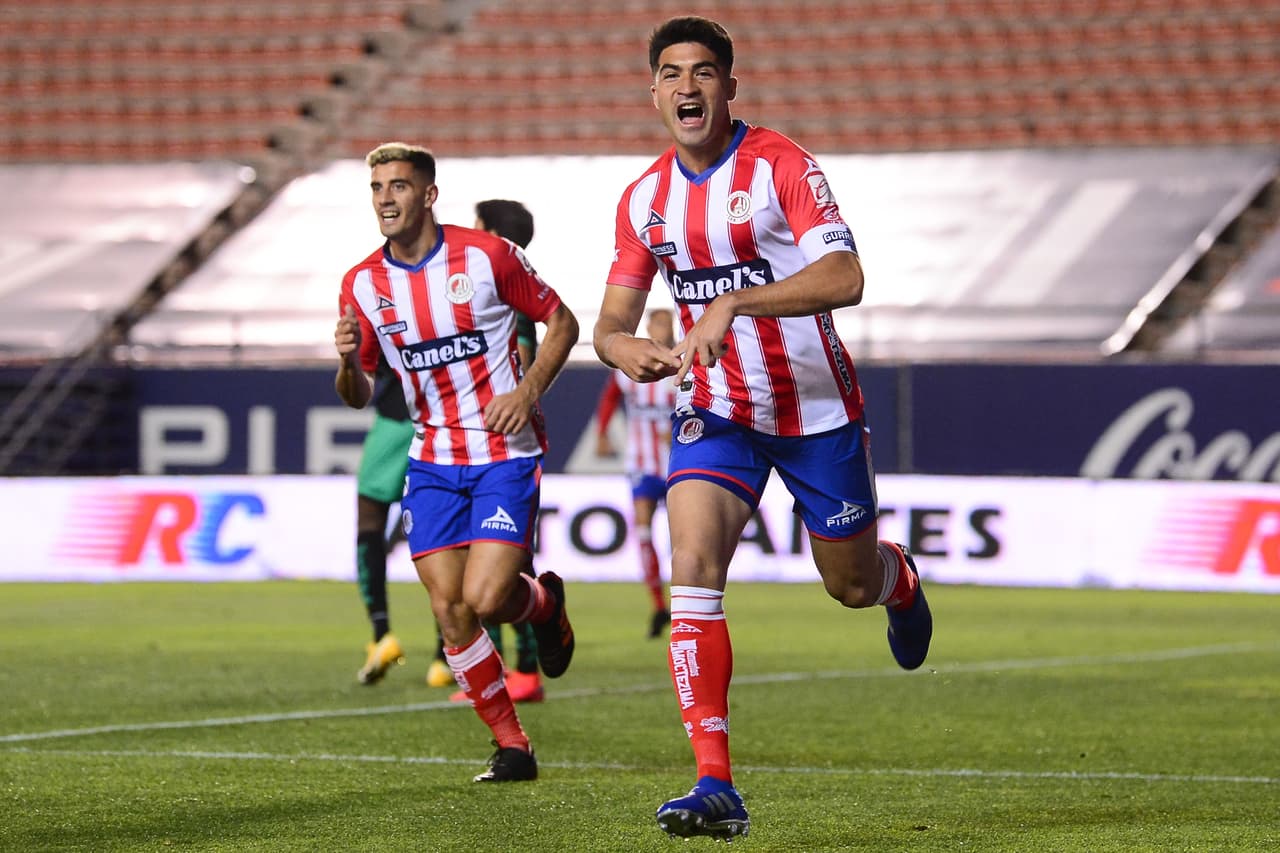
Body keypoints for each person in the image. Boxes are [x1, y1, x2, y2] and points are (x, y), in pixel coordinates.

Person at [592, 17, 933, 840]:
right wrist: (626, 347)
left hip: (817, 413)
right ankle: (715, 781)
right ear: (654, 92)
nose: (687, 88)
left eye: (704, 72)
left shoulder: (781, 165)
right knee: (694, 570)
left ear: (729, 87)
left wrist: (735, 299)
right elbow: (609, 322)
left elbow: (846, 275)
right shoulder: (644, 201)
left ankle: (899, 580)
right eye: (672, 74)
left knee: (847, 584)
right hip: (714, 409)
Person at [335, 142, 579, 783]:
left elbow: (562, 322)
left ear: (429, 195)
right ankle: (512, 746)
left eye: (400, 186)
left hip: (503, 453)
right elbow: (359, 394)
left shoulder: (487, 256)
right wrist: (343, 361)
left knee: (489, 596)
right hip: (431, 460)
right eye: (378, 187)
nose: (387, 198)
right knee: (450, 610)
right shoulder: (363, 284)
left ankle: (544, 607)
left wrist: (527, 394)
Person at [594, 307, 677, 639]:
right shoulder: (629, 370)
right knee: (643, 534)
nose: (664, 330)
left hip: (677, 464)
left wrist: (677, 425)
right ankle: (658, 606)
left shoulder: (680, 366)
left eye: (668, 325)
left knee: (683, 539)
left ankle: (686, 604)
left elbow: (701, 405)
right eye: (659, 324)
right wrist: (602, 434)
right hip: (641, 464)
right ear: (649, 327)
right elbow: (608, 401)